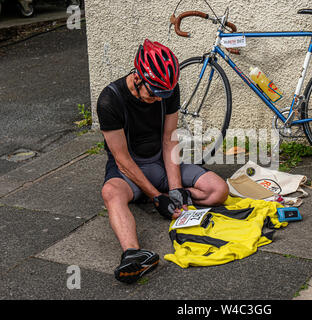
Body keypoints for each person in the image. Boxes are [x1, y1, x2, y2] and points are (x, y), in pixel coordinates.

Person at [97, 39, 229, 284]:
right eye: (154, 93)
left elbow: (170, 140)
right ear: (137, 78)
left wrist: (176, 189)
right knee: (110, 192)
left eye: (164, 95)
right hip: (129, 170)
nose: (159, 99)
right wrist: (157, 196)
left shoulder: (169, 90)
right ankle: (133, 254)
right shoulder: (110, 100)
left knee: (219, 190)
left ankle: (168, 198)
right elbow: (122, 159)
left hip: (161, 162)